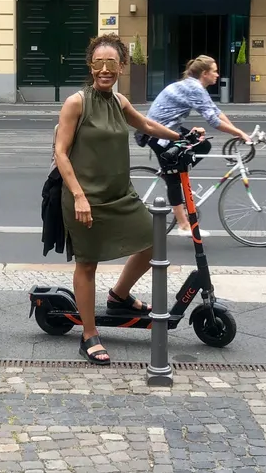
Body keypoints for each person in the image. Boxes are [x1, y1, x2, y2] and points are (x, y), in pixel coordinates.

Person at [54, 33, 192, 365]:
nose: (105, 69)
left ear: (121, 66)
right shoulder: (77, 102)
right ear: (90, 65)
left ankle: (118, 295)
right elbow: (60, 151)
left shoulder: (119, 102)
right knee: (87, 263)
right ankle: (89, 335)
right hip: (85, 198)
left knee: (154, 243)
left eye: (112, 63)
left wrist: (182, 135)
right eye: (98, 63)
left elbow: (145, 124)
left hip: (120, 195)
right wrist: (79, 197)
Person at [142, 55, 253, 236]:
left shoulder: (194, 86)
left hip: (169, 128)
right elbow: (214, 121)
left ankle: (179, 176)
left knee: (202, 145)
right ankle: (183, 224)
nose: (217, 75)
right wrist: (238, 133)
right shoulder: (194, 88)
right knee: (174, 178)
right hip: (157, 134)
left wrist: (238, 131)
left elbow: (216, 112)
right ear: (204, 73)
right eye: (215, 71)